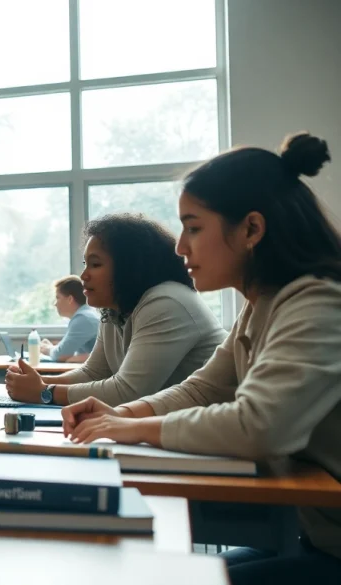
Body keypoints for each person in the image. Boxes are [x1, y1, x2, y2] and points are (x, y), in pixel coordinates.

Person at [61, 133, 341, 584]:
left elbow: (258, 427)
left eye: (193, 228)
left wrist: (132, 427)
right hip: (319, 541)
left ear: (251, 229)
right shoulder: (262, 304)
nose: (180, 248)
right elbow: (204, 387)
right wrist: (122, 412)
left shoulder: (319, 301)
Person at [6, 213, 226, 406]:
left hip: (223, 433)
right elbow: (93, 373)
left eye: (96, 264)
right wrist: (36, 383)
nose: (84, 276)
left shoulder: (166, 302)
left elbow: (128, 392)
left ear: (129, 267)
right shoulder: (115, 309)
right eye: (85, 265)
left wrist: (44, 392)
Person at [41, 276, 99, 363]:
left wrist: (47, 349)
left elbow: (60, 355)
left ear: (70, 299)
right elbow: (66, 353)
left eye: (58, 298)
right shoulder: (86, 314)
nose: (55, 304)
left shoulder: (83, 319)